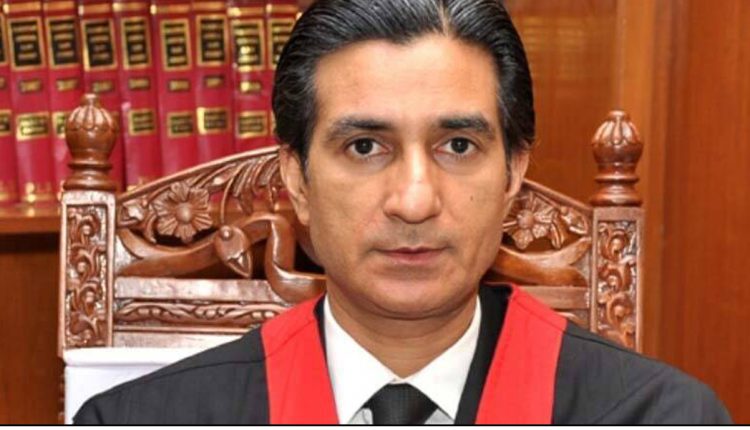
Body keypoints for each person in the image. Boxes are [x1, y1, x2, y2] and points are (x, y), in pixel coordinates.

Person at [73, 0, 732, 424]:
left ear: (514, 172)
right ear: (296, 178)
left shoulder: (657, 416)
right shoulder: (144, 419)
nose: (414, 201)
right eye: (365, 146)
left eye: (458, 145)